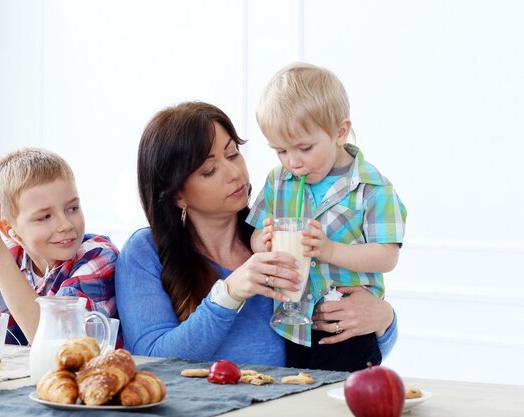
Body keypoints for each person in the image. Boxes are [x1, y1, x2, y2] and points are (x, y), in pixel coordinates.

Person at [115, 101, 398, 366]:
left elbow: (339, 359)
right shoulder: (144, 252)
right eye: (210, 170)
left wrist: (383, 320)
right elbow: (152, 362)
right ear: (178, 195)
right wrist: (230, 293)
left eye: (233, 153)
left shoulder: (277, 239)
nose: (235, 173)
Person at [247, 63, 407, 371]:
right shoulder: (278, 182)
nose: (292, 161)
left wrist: (330, 250)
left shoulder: (373, 189)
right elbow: (255, 236)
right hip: (292, 327)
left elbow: (387, 256)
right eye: (280, 151)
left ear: (339, 132)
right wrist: (263, 242)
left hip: (348, 327)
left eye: (304, 148)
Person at [0, 147, 119, 345]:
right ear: (10, 229)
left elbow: (59, 345)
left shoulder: (98, 256)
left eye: (72, 208)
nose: (66, 225)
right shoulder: (9, 258)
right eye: (45, 217)